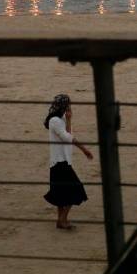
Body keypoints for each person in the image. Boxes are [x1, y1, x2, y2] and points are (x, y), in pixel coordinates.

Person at [43, 94, 93, 230]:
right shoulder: (54, 121)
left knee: (61, 193)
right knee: (76, 189)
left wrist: (69, 119)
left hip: (63, 161)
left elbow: (68, 134)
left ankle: (60, 221)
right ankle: (63, 219)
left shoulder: (62, 119)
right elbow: (67, 137)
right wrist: (84, 150)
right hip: (60, 162)